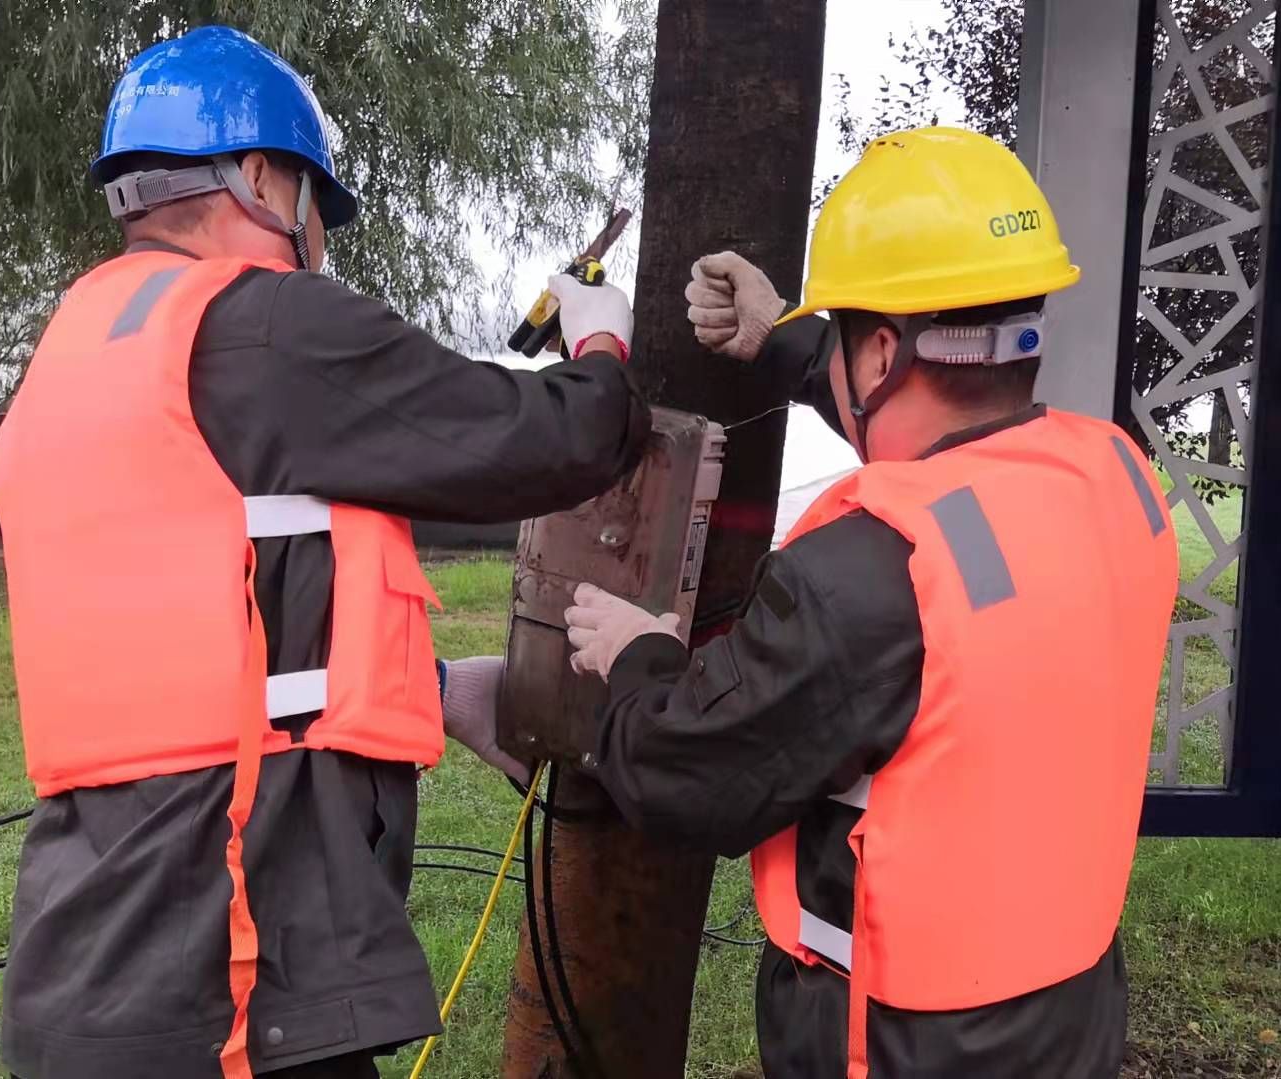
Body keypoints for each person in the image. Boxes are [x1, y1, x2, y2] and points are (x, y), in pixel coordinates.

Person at [0, 26, 645, 1079]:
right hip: (239, 966)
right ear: (259, 177)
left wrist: (428, 688)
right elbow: (548, 440)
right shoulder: (267, 327)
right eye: (313, 204)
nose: (321, 243)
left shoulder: (76, 357)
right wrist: (602, 343)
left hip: (90, 958)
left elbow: (184, 630)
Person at [484, 126, 1180, 1076]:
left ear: (884, 346)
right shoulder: (1119, 483)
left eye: (854, 330)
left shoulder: (871, 569)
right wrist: (792, 339)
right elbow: (941, 422)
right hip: (1069, 1012)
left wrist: (638, 655)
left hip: (902, 1045)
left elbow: (691, 771)